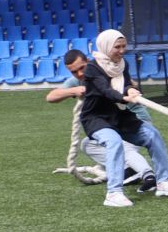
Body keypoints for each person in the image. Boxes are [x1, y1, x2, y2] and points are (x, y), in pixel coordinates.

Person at [79, 30, 168, 208]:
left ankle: (163, 182)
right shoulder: (92, 68)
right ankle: (113, 193)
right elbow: (105, 90)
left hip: (119, 115)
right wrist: (123, 97)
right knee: (114, 141)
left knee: (152, 135)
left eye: (124, 46)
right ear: (106, 46)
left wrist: (129, 90)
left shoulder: (122, 64)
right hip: (96, 117)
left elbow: (124, 85)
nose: (122, 50)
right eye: (117, 47)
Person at [48, 49, 154, 188]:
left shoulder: (105, 69)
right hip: (111, 124)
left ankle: (148, 175)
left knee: (119, 144)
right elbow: (51, 97)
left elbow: (132, 85)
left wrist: (119, 87)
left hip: (134, 120)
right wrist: (74, 91)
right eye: (74, 72)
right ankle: (126, 169)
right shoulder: (78, 80)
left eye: (82, 68)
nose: (79, 73)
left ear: (88, 62)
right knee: (88, 144)